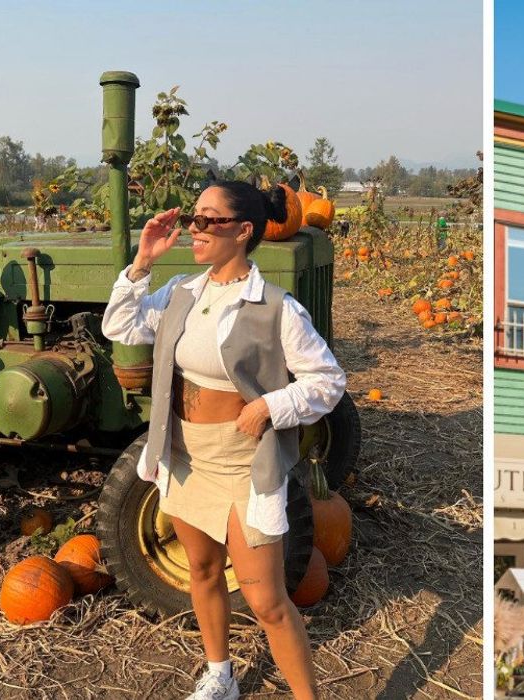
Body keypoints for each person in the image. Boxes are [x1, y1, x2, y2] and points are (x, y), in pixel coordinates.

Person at [102, 180, 345, 700]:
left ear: (243, 231)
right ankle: (221, 674)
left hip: (241, 464)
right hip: (185, 454)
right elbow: (121, 326)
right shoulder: (183, 292)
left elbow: (328, 381)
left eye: (210, 220)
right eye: (194, 218)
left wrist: (270, 406)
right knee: (204, 571)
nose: (195, 228)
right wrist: (143, 260)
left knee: (267, 601)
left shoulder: (277, 308)